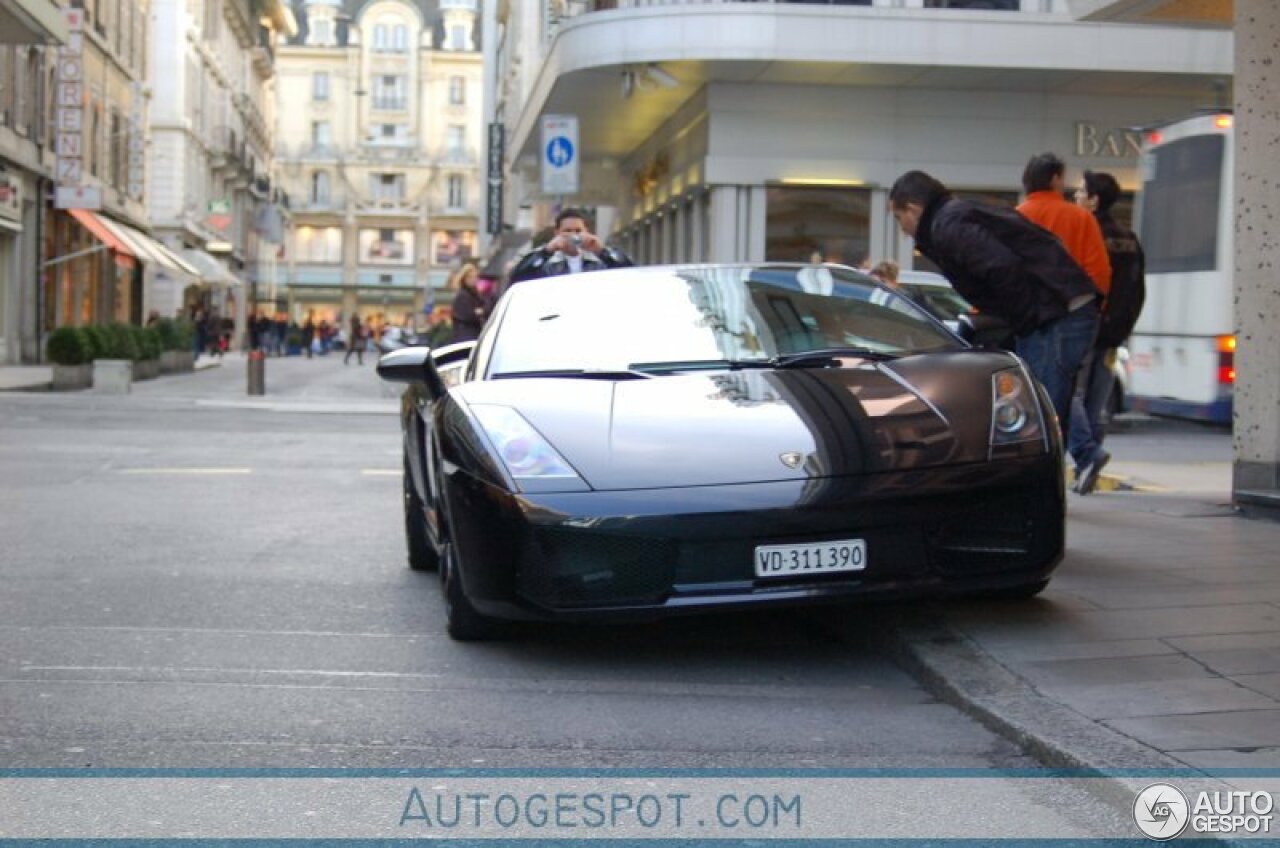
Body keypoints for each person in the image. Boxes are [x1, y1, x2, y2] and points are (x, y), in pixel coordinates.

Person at [888, 170, 1100, 426]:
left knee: (1041, 416)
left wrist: (1024, 321)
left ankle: (1044, 465)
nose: (903, 229)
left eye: (899, 218)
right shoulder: (958, 213)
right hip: (1062, 306)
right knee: (1044, 408)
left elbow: (1001, 266)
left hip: (1054, 315)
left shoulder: (948, 225)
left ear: (912, 209)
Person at [1068, 170, 1147, 495]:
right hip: (1115, 333)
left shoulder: (1086, 233)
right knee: (1096, 402)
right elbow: (1138, 289)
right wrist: (1124, 326)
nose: (1076, 197)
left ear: (1094, 199)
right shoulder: (1129, 239)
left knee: (1069, 394)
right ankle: (1085, 469)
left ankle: (1087, 455)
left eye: (1081, 192)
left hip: (1086, 326)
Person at [1017, 153, 1112, 295]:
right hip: (1072, 304)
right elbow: (1099, 270)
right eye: (1063, 178)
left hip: (1027, 304)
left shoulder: (1015, 217)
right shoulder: (1082, 217)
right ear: (1055, 179)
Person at [508, 208, 633, 283]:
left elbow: (628, 272)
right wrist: (547, 251)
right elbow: (518, 276)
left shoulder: (598, 262)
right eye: (567, 231)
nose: (573, 235)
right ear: (557, 232)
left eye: (578, 231)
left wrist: (602, 251)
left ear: (586, 231)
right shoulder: (547, 263)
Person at [448, 263, 492, 343]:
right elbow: (468, 315)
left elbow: (487, 308)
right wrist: (478, 312)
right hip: (465, 338)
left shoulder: (477, 295)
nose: (473, 279)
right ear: (464, 278)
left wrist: (481, 311)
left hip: (475, 336)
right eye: (470, 277)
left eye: (475, 277)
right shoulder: (462, 296)